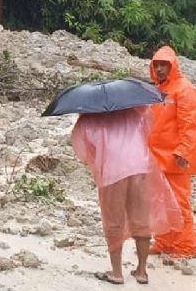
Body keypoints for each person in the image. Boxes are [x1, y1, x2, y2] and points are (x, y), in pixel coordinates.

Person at [71, 106, 183, 285]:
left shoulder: (89, 117)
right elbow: (148, 129)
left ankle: (116, 273)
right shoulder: (136, 111)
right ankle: (142, 271)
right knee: (141, 219)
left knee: (113, 221)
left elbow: (82, 150)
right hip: (139, 167)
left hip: (112, 171)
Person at [148, 46, 196, 258]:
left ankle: (185, 247)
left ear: (173, 66)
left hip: (175, 158)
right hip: (157, 157)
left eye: (164, 65)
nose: (160, 69)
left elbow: (190, 124)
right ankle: (164, 242)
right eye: (157, 65)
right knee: (159, 202)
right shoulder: (158, 90)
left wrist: (184, 152)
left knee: (179, 203)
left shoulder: (184, 89)